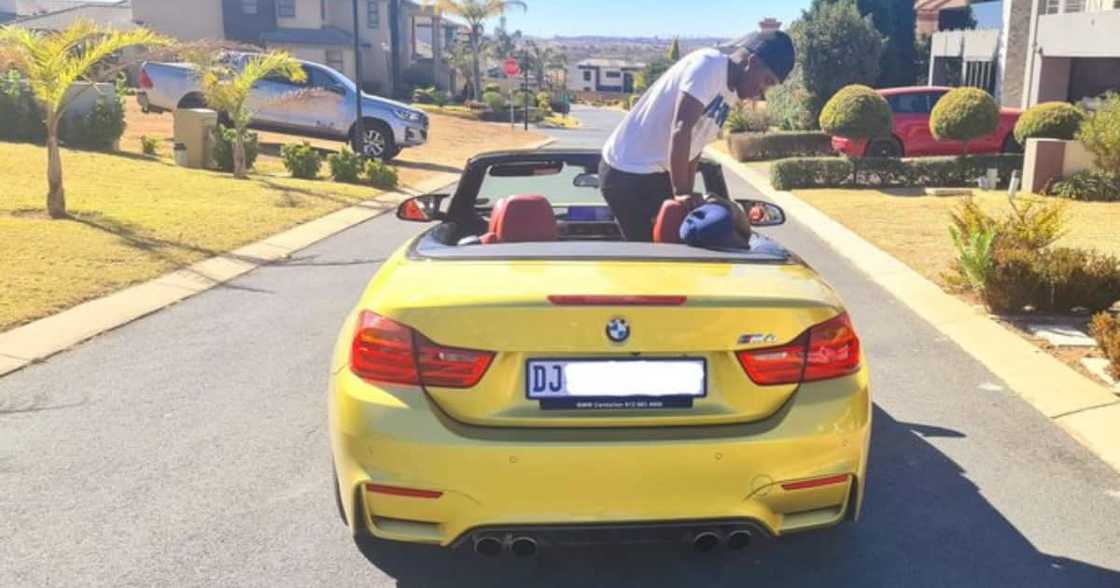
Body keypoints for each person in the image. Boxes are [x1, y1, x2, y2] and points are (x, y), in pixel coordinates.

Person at [599, 31, 795, 241]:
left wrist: (687, 195)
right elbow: (681, 129)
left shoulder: (729, 93)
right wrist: (682, 193)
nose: (762, 91)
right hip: (626, 170)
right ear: (752, 61)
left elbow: (694, 146)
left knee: (686, 243)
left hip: (655, 173)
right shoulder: (709, 65)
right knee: (657, 256)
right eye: (766, 80)